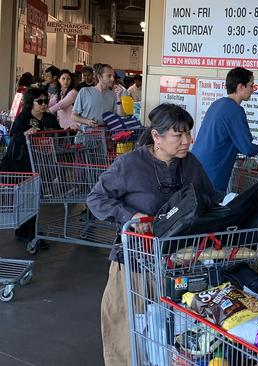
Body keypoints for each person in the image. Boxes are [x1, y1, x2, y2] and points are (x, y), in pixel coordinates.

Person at [87, 104, 223, 366]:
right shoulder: (129, 164)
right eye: (179, 135)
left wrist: (232, 205)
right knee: (127, 331)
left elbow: (210, 196)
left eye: (188, 134)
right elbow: (96, 198)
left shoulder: (191, 164)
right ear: (156, 137)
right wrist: (130, 216)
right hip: (136, 265)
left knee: (173, 333)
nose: (188, 141)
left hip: (179, 265)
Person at [193, 67, 258, 192]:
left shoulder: (218, 104)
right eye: (251, 85)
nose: (253, 89)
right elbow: (247, 148)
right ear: (241, 87)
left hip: (197, 168)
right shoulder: (235, 110)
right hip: (213, 175)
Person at [8, 88, 61, 241]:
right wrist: (25, 134)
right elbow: (14, 137)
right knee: (27, 197)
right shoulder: (22, 118)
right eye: (40, 101)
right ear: (31, 103)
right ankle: (28, 231)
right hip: (25, 163)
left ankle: (31, 230)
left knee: (36, 197)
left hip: (43, 163)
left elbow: (60, 134)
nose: (44, 104)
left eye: (46, 101)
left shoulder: (49, 118)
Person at [71, 63, 117, 128]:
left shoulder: (113, 95)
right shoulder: (84, 92)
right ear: (99, 77)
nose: (112, 79)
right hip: (85, 135)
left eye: (113, 76)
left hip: (104, 136)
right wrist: (87, 122)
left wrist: (120, 98)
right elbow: (73, 116)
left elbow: (115, 117)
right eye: (109, 76)